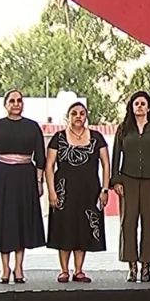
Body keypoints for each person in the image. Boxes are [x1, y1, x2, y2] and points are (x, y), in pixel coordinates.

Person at [0, 90, 47, 284]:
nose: (16, 104)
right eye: (12, 101)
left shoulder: (32, 127)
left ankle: (19, 267)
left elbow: (40, 157)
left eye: (19, 100)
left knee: (21, 221)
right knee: (4, 221)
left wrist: (39, 182)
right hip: (1, 177)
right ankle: (4, 267)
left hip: (25, 177)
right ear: (5, 104)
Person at [46, 102, 110, 283]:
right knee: (64, 228)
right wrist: (51, 191)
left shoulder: (97, 138)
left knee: (84, 228)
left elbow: (106, 164)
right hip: (64, 191)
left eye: (82, 113)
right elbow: (49, 166)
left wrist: (105, 189)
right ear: (68, 117)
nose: (78, 116)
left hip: (89, 191)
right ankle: (64, 270)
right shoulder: (58, 138)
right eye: (74, 113)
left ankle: (79, 270)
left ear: (86, 116)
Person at [112, 91, 150, 282]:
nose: (140, 107)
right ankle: (132, 266)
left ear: (149, 107)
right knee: (128, 222)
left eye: (143, 104)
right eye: (136, 103)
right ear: (131, 107)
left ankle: (146, 266)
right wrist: (116, 180)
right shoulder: (124, 129)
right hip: (128, 180)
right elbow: (116, 156)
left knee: (149, 222)